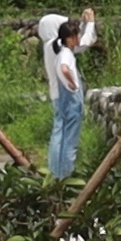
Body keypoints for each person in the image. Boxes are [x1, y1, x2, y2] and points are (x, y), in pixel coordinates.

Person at [39, 9, 93, 179]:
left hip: (57, 94)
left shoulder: (50, 46)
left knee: (59, 133)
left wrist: (83, 24)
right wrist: (89, 23)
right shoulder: (59, 48)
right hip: (66, 96)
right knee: (67, 137)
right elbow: (82, 43)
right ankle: (64, 173)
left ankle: (55, 172)